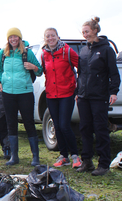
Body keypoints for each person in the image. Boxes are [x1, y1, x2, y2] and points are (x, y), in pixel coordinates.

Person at [76, 17, 120, 176]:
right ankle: (86, 161)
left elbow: (113, 73)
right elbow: (80, 73)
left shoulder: (106, 49)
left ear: (95, 30)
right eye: (83, 32)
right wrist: (77, 92)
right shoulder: (84, 49)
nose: (85, 34)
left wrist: (113, 91)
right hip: (83, 97)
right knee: (85, 128)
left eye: (87, 31)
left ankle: (103, 164)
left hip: (99, 96)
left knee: (100, 129)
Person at [0, 27, 43, 166]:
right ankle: (14, 157)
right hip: (8, 93)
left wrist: (33, 67)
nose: (13, 39)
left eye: (15, 37)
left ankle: (35, 158)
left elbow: (39, 71)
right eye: (11, 37)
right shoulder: (3, 53)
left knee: (29, 123)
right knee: (11, 123)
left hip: (24, 92)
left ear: (20, 38)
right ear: (8, 39)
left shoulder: (26, 53)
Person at [41, 28, 82, 168]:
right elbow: (41, 71)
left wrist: (78, 89)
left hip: (67, 94)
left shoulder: (68, 51)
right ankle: (64, 156)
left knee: (65, 125)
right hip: (51, 95)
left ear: (58, 37)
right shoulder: (43, 54)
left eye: (53, 35)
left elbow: (81, 68)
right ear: (45, 38)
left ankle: (75, 156)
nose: (50, 38)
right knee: (57, 126)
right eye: (48, 36)